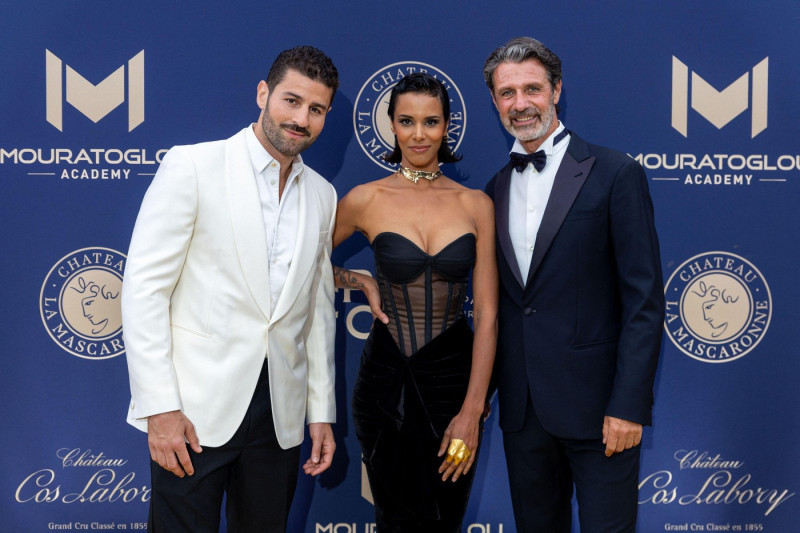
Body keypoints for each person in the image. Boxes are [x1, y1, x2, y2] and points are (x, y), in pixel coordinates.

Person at [121, 46, 339, 533]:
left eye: (316, 109)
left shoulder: (323, 195)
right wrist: (160, 409)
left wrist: (320, 411)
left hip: (278, 421)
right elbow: (143, 291)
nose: (301, 118)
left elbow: (317, 313)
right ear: (263, 94)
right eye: (291, 100)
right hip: (194, 414)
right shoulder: (194, 166)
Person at [482, 37, 665, 532]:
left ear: (556, 90)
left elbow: (644, 302)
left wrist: (628, 405)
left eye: (532, 89)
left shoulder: (615, 173)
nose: (520, 104)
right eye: (507, 93)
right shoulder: (492, 190)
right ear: (495, 101)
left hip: (602, 412)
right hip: (523, 413)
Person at [333, 73, 498, 532]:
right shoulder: (366, 199)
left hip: (454, 383)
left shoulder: (475, 204)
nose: (419, 134)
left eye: (431, 121)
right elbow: (298, 267)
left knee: (446, 518)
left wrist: (472, 411)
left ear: (447, 126)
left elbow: (486, 314)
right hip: (385, 384)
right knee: (395, 519)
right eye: (407, 121)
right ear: (391, 126)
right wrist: (355, 277)